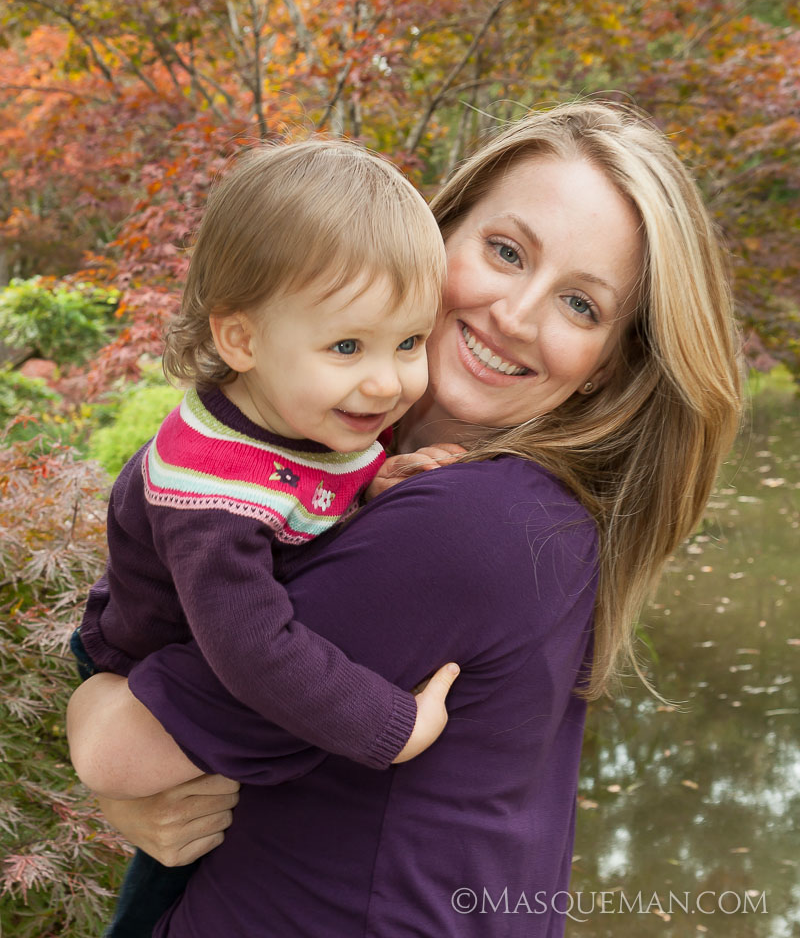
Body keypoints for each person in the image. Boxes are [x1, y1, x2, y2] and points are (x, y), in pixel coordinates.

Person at [68, 101, 742, 937]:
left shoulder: (474, 527)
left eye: (581, 305)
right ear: (436, 234)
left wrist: (95, 715)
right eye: (506, 252)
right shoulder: (369, 460)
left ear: (609, 367)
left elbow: (122, 748)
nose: (515, 315)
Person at [73, 139, 461, 936]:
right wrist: (388, 727)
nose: (387, 381)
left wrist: (373, 484)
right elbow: (253, 647)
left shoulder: (303, 404)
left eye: (410, 343)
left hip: (212, 638)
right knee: (173, 866)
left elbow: (309, 489)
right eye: (348, 346)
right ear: (242, 341)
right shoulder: (211, 493)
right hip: (152, 655)